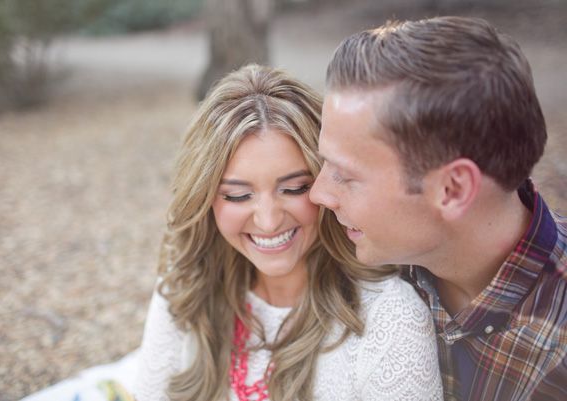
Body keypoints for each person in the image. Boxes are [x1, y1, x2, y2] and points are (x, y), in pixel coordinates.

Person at [133, 64, 443, 401]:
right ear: (203, 198)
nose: (268, 222)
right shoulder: (185, 287)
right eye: (238, 195)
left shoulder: (390, 319)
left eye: (294, 189)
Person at [309, 16, 567, 401]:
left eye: (345, 175)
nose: (318, 194)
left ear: (452, 189)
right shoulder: (365, 260)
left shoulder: (556, 359)